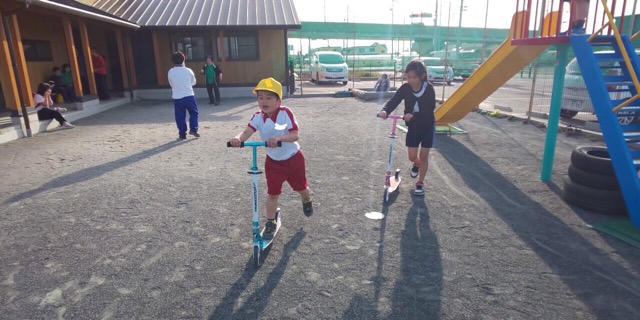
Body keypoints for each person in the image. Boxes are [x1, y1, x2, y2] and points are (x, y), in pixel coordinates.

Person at [228, 77, 313, 240]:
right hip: (273, 162)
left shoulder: (285, 113)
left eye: (268, 97)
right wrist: (238, 139)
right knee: (273, 193)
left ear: (278, 100)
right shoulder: (258, 117)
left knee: (301, 188)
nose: (263, 101)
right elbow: (246, 132)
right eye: (260, 97)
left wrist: (279, 138)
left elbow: (295, 135)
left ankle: (307, 199)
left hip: (293, 159)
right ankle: (270, 221)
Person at [378, 60, 436, 196]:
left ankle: (420, 182)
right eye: (408, 77)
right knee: (412, 157)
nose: (411, 80)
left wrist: (413, 116)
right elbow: (394, 100)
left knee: (424, 156)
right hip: (413, 127)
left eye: (414, 77)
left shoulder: (428, 88)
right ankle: (416, 164)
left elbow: (429, 109)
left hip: (427, 126)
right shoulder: (405, 88)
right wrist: (385, 111)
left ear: (422, 76)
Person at [168, 51, 199, 139]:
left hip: (177, 97)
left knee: (180, 116)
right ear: (183, 60)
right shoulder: (188, 70)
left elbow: (171, 84)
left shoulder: (171, 71)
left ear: (173, 61)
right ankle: (193, 129)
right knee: (194, 113)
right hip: (189, 95)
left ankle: (182, 133)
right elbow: (193, 82)